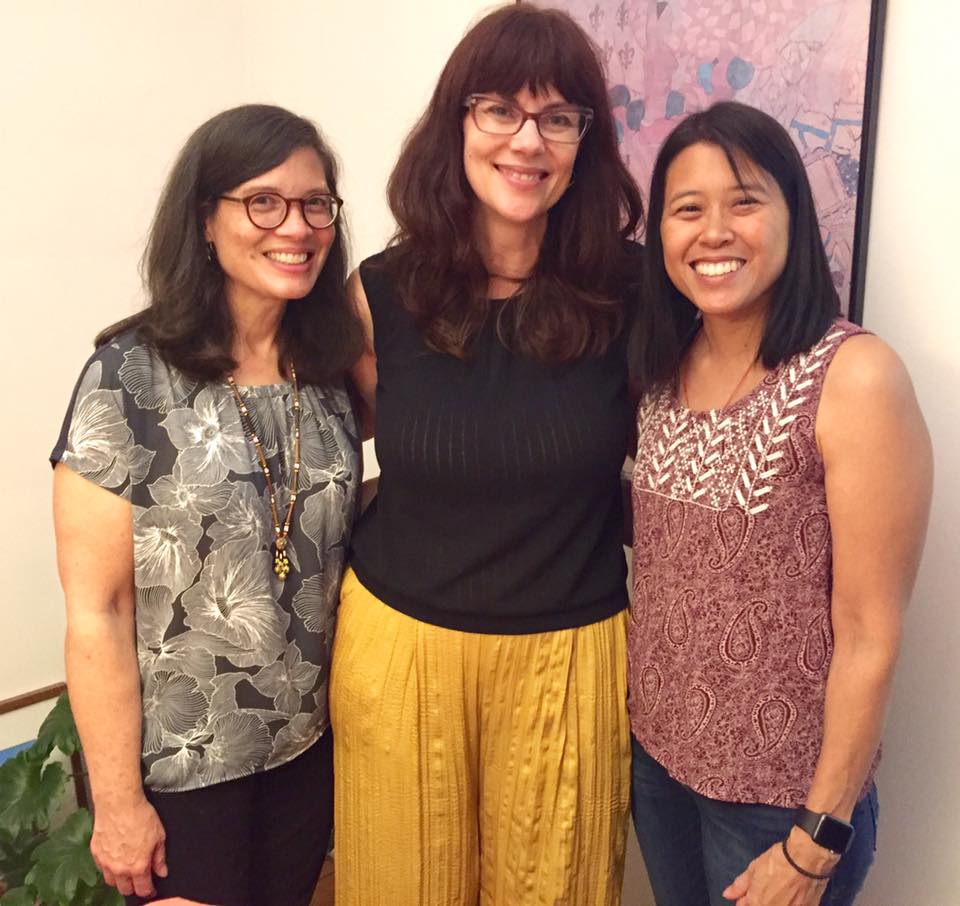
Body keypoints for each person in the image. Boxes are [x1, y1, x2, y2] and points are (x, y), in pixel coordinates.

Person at [329, 4, 644, 904]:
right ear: (457, 123)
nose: (527, 140)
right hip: (400, 652)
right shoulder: (383, 292)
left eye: (557, 117)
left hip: (569, 659)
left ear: (584, 140)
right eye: (498, 109)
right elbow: (326, 446)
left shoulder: (629, 291)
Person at [51, 104, 363, 906]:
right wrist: (118, 802)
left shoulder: (327, 371)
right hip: (183, 772)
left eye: (315, 204)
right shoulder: (127, 380)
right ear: (206, 220)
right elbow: (99, 611)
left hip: (305, 755)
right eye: (264, 201)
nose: (295, 226)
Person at [627, 100, 932, 906]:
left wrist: (816, 841)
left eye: (745, 202)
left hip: (779, 804)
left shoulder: (853, 377)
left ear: (794, 214)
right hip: (659, 765)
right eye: (687, 209)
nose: (714, 232)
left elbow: (871, 634)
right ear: (661, 234)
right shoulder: (661, 370)